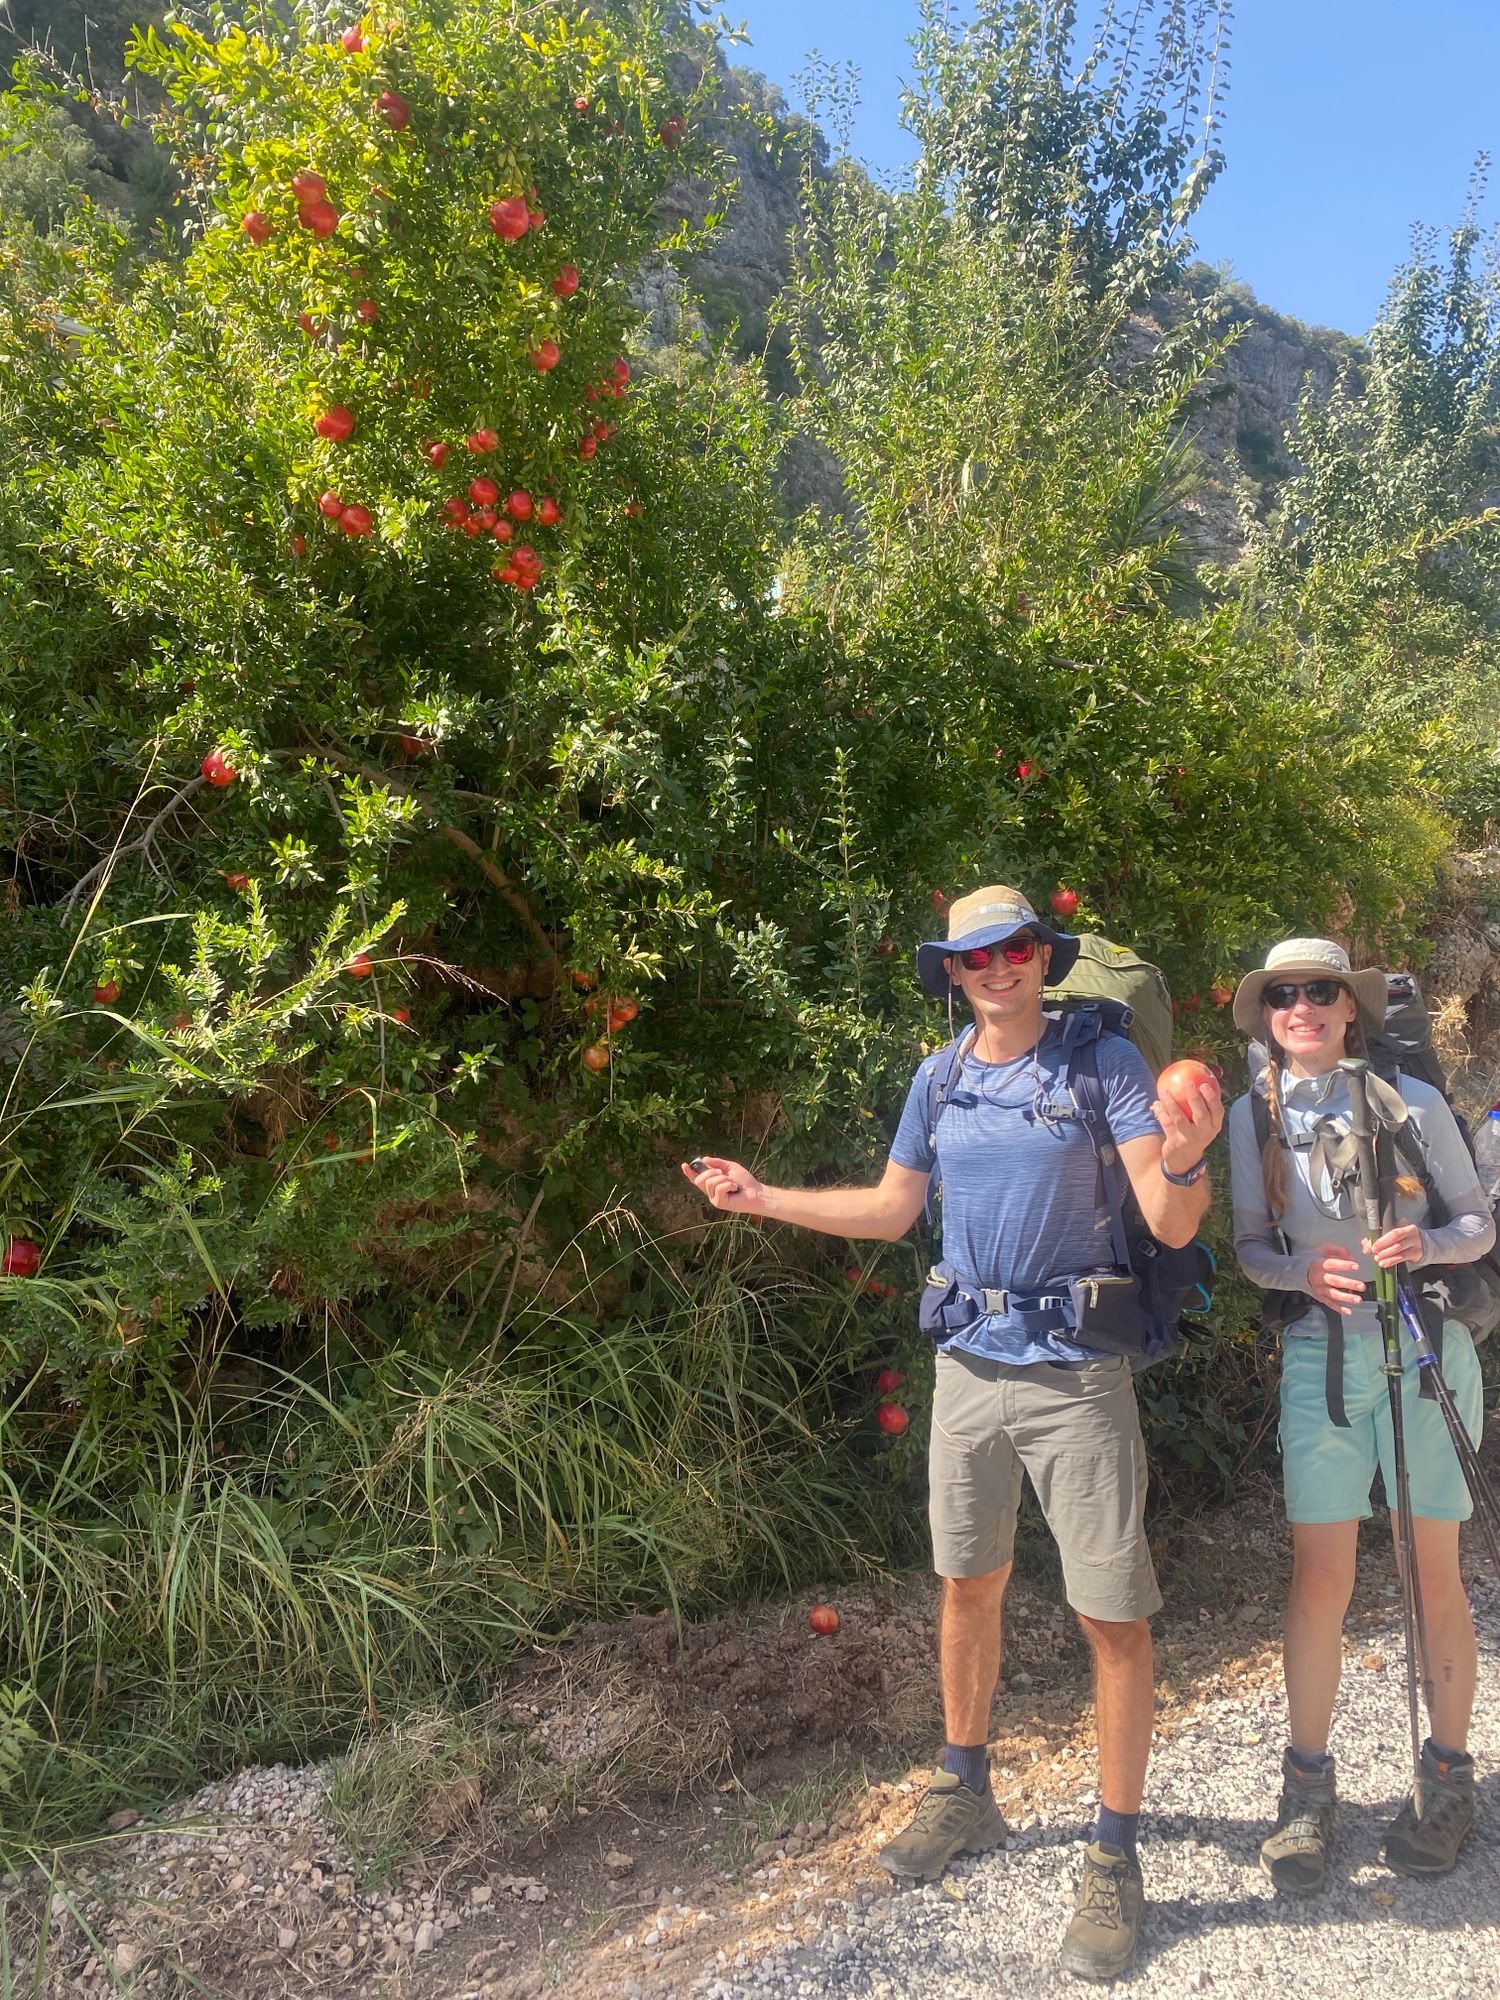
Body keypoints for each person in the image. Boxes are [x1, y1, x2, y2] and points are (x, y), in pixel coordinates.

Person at [683, 886, 1222, 1981]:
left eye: (1015, 947)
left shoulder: (1103, 1064)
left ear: (1042, 956)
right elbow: (892, 1209)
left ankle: (1114, 1855)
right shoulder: (940, 1078)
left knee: (1111, 1612)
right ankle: (965, 1786)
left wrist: (1187, 1154)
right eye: (976, 956)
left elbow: (1170, 1222)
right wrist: (763, 1197)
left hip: (1076, 1374)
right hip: (967, 1366)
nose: (997, 966)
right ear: (953, 972)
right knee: (967, 1583)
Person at [1228, 938, 1494, 1894]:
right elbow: (1250, 1250)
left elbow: (1478, 1224)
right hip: (1321, 1360)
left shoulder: (1410, 1101)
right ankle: (1307, 1788)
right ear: (1267, 1016)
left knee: (1432, 1574)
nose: (1300, 1007)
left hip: (1425, 1349)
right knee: (1318, 1578)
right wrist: (1304, 1270)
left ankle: (1447, 1780)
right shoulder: (1251, 1117)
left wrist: (1426, 1247)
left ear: (1351, 1009)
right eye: (1283, 995)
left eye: (1320, 992)